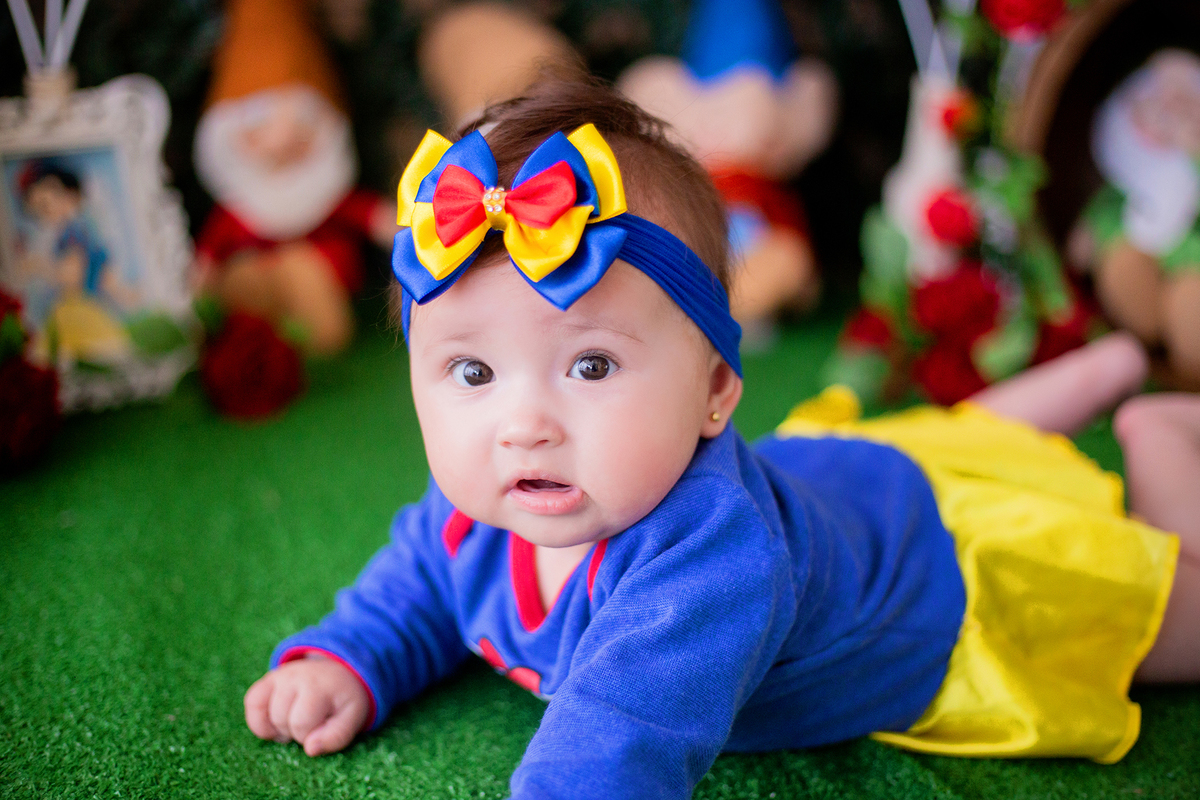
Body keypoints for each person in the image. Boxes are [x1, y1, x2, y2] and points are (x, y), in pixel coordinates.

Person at [243, 82, 1199, 798]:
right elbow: (418, 583)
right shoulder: (480, 509)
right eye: (472, 375)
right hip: (851, 478)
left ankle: (1155, 433)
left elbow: (621, 734)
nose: (521, 424)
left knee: (1167, 619)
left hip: (937, 585)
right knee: (952, 445)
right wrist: (350, 654)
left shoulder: (709, 560)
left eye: (590, 367)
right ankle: (1113, 367)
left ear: (714, 393)